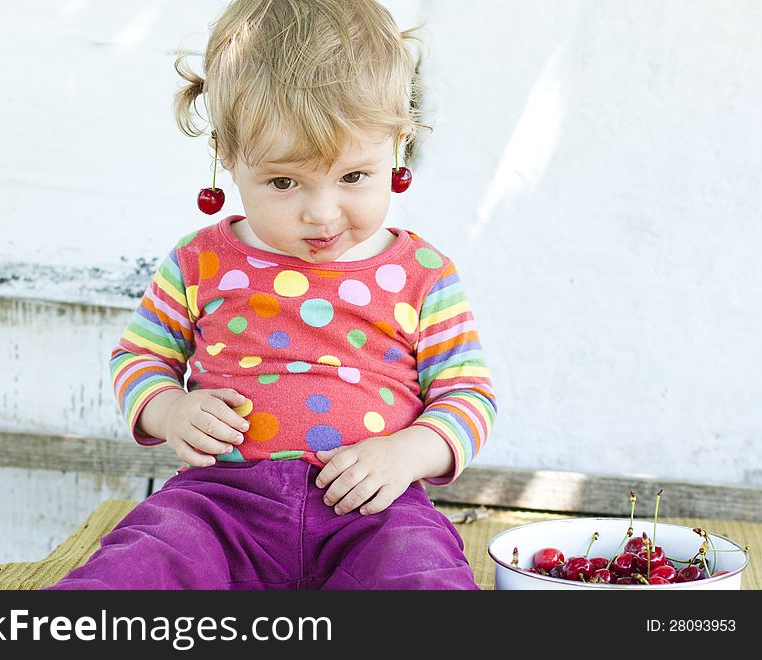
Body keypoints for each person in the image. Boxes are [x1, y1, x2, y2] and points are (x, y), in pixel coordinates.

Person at [46, 0, 497, 590]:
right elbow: (140, 360)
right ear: (228, 156)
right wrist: (170, 409)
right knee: (142, 561)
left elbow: (468, 397)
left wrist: (409, 453)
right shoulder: (199, 262)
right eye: (284, 182)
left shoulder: (422, 274)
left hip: (374, 513)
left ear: (397, 144)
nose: (322, 212)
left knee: (421, 572)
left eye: (354, 177)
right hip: (218, 507)